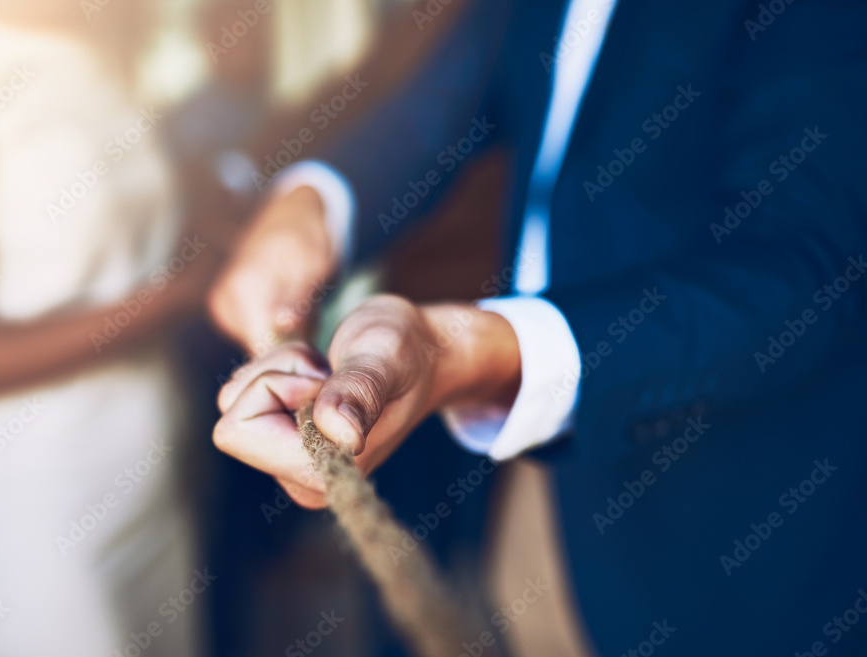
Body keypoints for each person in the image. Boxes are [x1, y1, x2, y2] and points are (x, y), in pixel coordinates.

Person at [208, 0, 867, 655]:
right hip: (541, 484)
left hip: (734, 526)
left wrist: (476, 353)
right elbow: (449, 93)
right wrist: (314, 200)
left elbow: (810, 265)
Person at [0, 1, 207, 654]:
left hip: (153, 496)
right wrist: (171, 301)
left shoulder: (98, 46)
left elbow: (128, 247)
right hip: (34, 517)